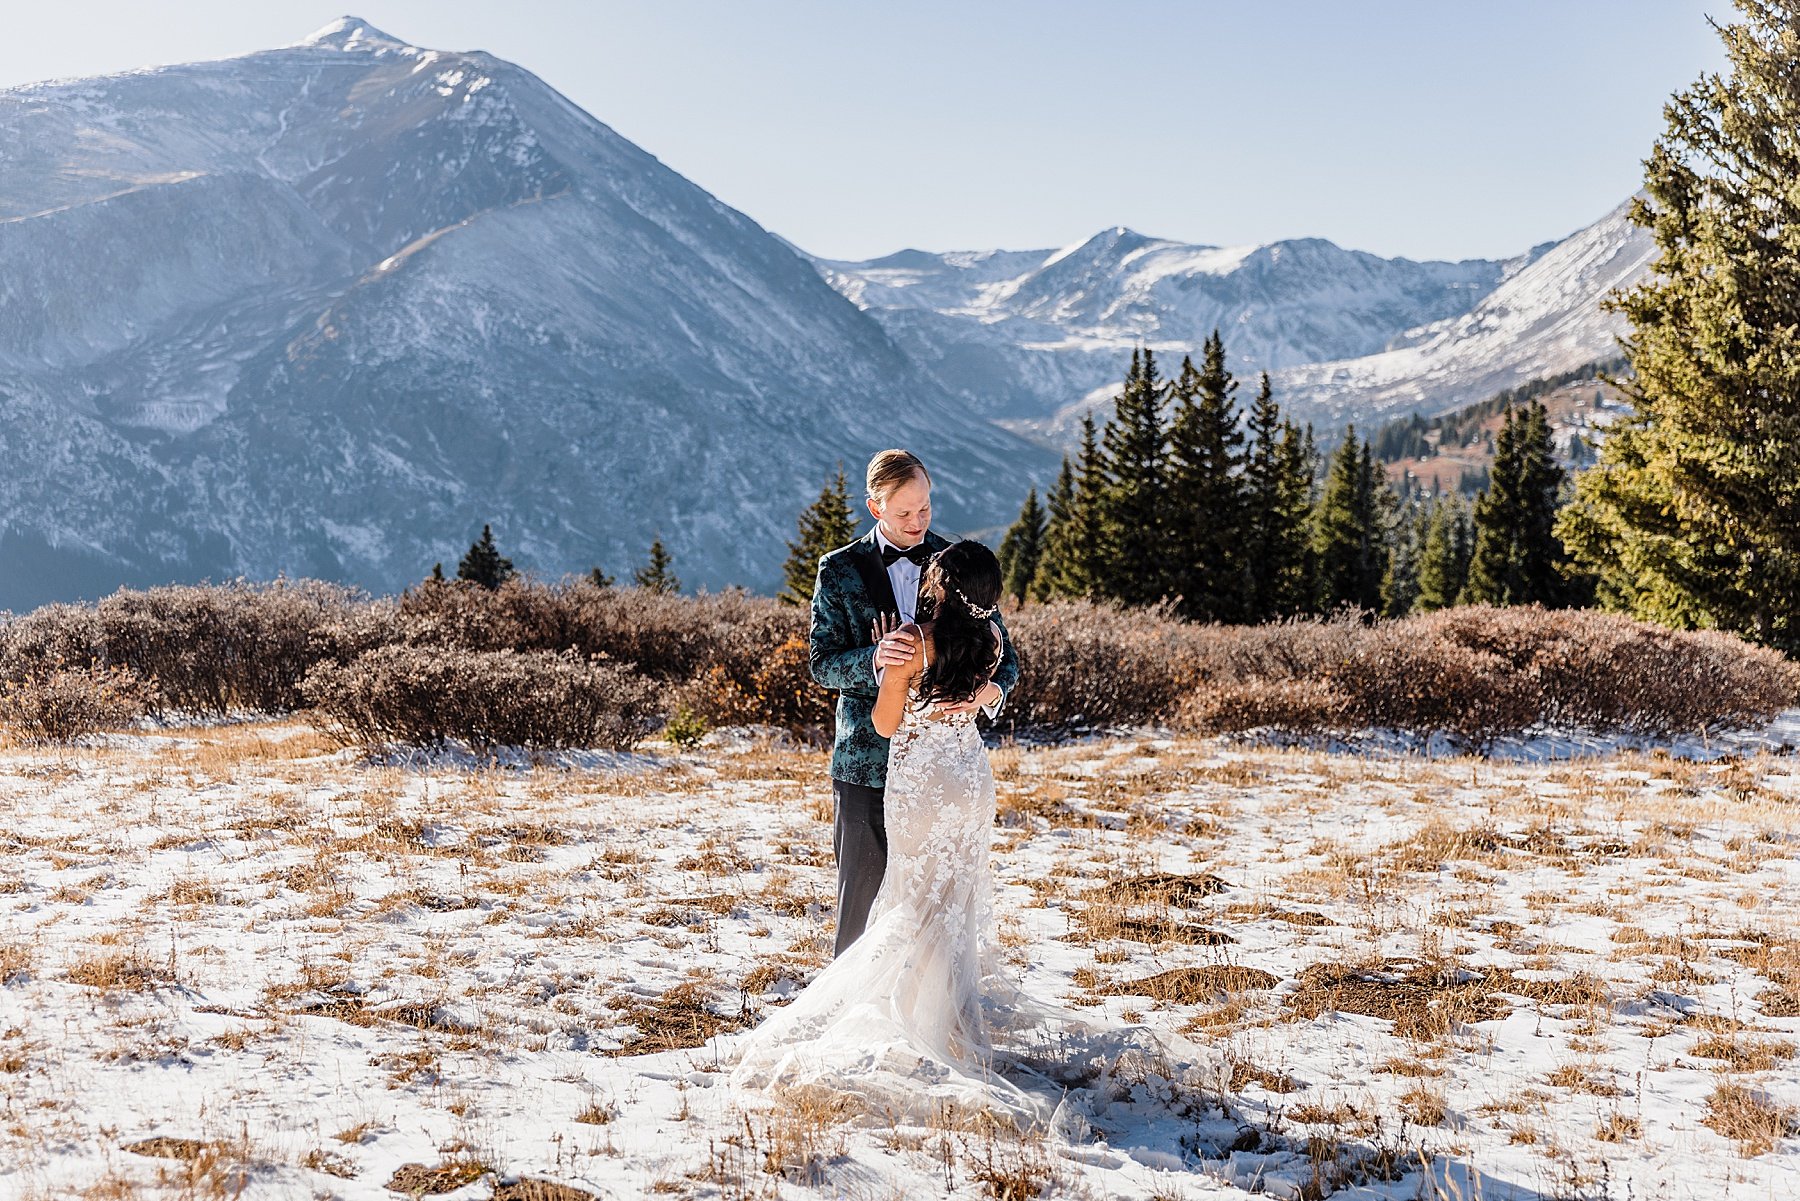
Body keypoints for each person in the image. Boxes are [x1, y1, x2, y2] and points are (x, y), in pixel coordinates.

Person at [726, 538, 1079, 1127]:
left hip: (919, 787)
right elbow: (988, 683)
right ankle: (949, 1022)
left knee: (909, 903)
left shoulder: (913, 643)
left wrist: (889, 668)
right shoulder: (989, 638)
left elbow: (886, 723)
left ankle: (903, 1020)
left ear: (937, 585)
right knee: (951, 905)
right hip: (969, 781)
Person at [803, 449, 1019, 957]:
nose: (919, 522)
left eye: (925, 508)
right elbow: (821, 663)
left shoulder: (956, 562)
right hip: (865, 764)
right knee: (861, 903)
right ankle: (852, 1019)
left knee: (933, 909)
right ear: (876, 508)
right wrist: (876, 659)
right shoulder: (838, 571)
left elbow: (1004, 653)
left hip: (938, 777)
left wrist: (990, 693)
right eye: (904, 513)